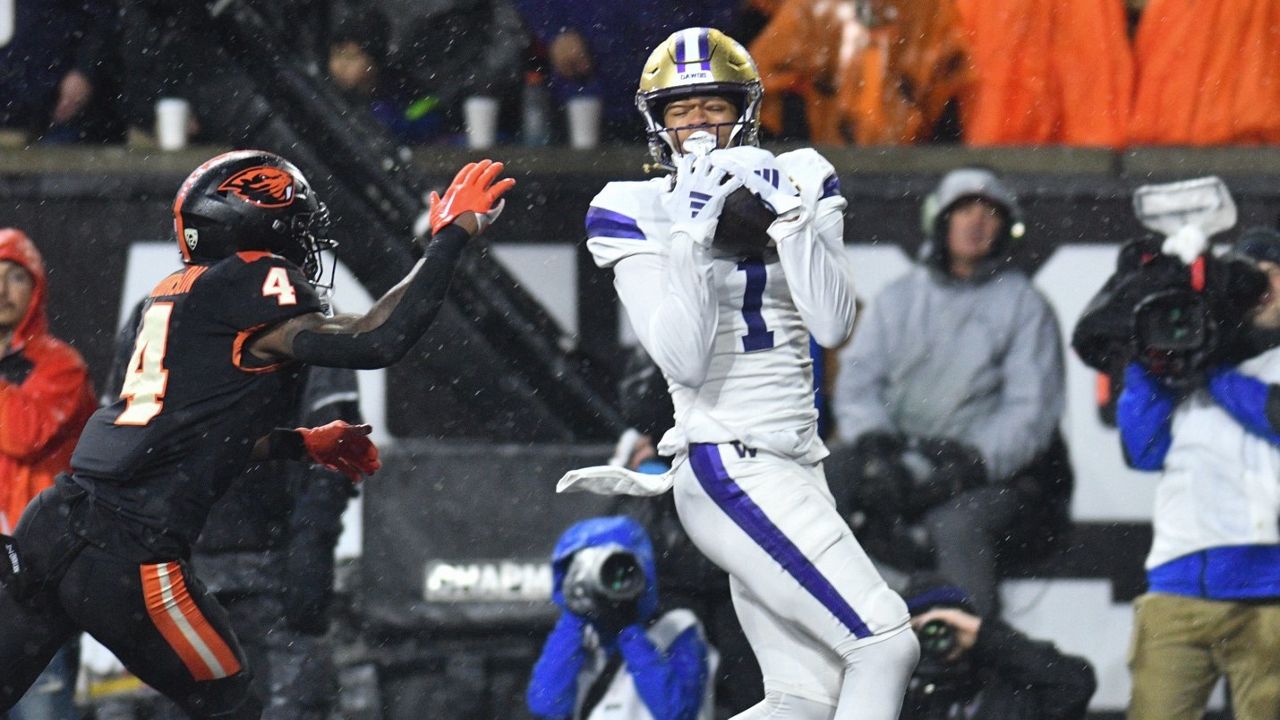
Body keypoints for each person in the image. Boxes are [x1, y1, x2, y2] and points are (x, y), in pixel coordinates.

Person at [0, 150, 514, 719]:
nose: (305, 242)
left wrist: (300, 442)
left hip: (54, 524)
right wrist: (451, 238)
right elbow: (377, 339)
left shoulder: (174, 292)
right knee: (230, 701)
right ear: (262, 223)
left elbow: (183, 437)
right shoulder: (252, 283)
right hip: (129, 551)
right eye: (298, 226)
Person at [581, 27, 918, 720]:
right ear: (657, 121)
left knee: (808, 699)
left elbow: (832, 325)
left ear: (748, 108)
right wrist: (690, 242)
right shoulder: (633, 207)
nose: (700, 123)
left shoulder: (799, 173)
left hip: (798, 459)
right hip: (727, 459)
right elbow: (682, 359)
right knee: (885, 641)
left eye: (714, 104)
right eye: (682, 109)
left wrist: (791, 221)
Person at [103, 299, 362, 720]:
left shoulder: (307, 310)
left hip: (270, 573)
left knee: (291, 707)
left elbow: (336, 442)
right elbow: (119, 449)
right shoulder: (156, 313)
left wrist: (311, 546)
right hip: (176, 573)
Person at [834, 167, 1070, 616]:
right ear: (939, 220)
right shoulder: (898, 298)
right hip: (898, 458)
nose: (976, 222)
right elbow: (857, 384)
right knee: (829, 481)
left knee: (956, 525)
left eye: (989, 213)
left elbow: (1031, 413)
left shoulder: (1024, 305)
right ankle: (820, 626)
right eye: (963, 209)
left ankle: (970, 655)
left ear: (1006, 229)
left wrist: (971, 464)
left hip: (991, 477)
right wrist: (876, 446)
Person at [1116, 230, 1280, 720]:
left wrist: (1208, 369)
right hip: (1179, 584)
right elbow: (1142, 450)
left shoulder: (1204, 365)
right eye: (1252, 280)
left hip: (1272, 593)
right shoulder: (1181, 351)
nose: (1264, 290)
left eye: (1274, 277)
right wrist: (1149, 361)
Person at [0, 229, 97, 720]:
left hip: (34, 582)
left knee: (42, 712)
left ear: (35, 288)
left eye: (14, 277)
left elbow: (24, 433)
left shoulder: (62, 367)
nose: (0, 290)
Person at [527, 515, 714, 720]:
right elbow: (546, 706)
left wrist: (628, 630)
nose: (611, 581)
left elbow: (676, 713)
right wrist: (574, 614)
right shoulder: (580, 636)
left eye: (620, 570)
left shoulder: (677, 628)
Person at [900, 575, 1096, 720]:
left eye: (947, 626)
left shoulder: (1013, 691)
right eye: (921, 630)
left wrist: (983, 634)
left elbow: (1074, 684)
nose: (936, 636)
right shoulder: (900, 696)